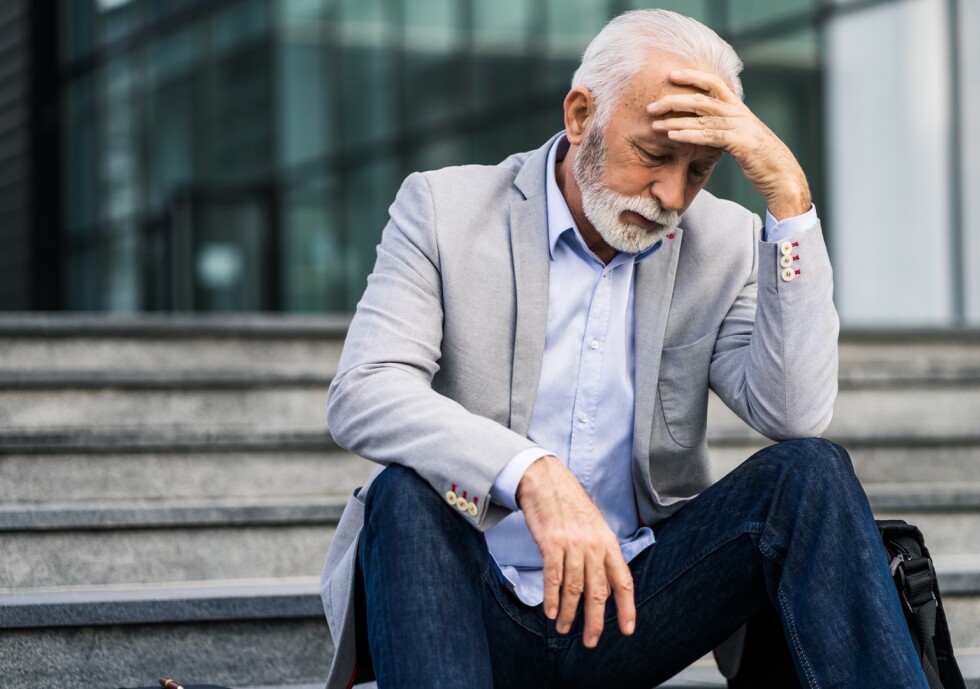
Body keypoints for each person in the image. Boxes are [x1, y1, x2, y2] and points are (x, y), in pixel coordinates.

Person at [319, 9, 926, 689]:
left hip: (635, 606)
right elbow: (365, 388)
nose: (672, 194)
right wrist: (530, 472)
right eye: (654, 156)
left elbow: (795, 411)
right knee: (404, 492)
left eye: (699, 170)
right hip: (465, 599)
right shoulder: (444, 208)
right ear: (581, 116)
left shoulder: (722, 242)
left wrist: (789, 199)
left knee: (811, 472)